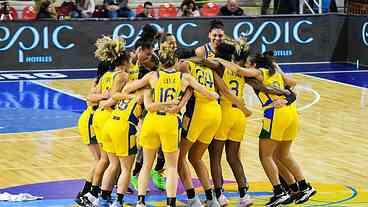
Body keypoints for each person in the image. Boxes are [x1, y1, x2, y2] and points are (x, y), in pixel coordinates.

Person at [121, 43, 220, 207]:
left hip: (151, 121)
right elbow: (206, 92)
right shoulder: (184, 77)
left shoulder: (153, 76)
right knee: (172, 166)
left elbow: (127, 88)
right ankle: (170, 203)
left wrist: (143, 90)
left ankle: (140, 202)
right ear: (175, 61)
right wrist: (214, 94)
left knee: (146, 164)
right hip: (170, 122)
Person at [252, 54, 316, 207]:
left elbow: (241, 71)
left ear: (255, 65)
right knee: (281, 155)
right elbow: (293, 86)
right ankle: (299, 187)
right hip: (291, 115)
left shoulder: (258, 74)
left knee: (265, 156)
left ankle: (280, 191)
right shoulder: (277, 75)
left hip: (275, 115)